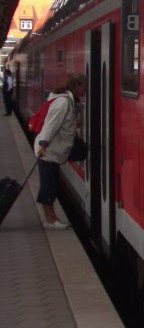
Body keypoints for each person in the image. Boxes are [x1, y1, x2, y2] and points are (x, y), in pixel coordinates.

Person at [34, 73, 87, 229]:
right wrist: (43, 145)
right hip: (48, 151)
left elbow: (61, 123)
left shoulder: (67, 101)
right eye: (84, 86)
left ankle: (51, 218)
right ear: (77, 86)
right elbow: (51, 124)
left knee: (51, 184)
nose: (86, 89)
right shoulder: (63, 103)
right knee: (48, 186)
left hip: (52, 151)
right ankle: (50, 220)